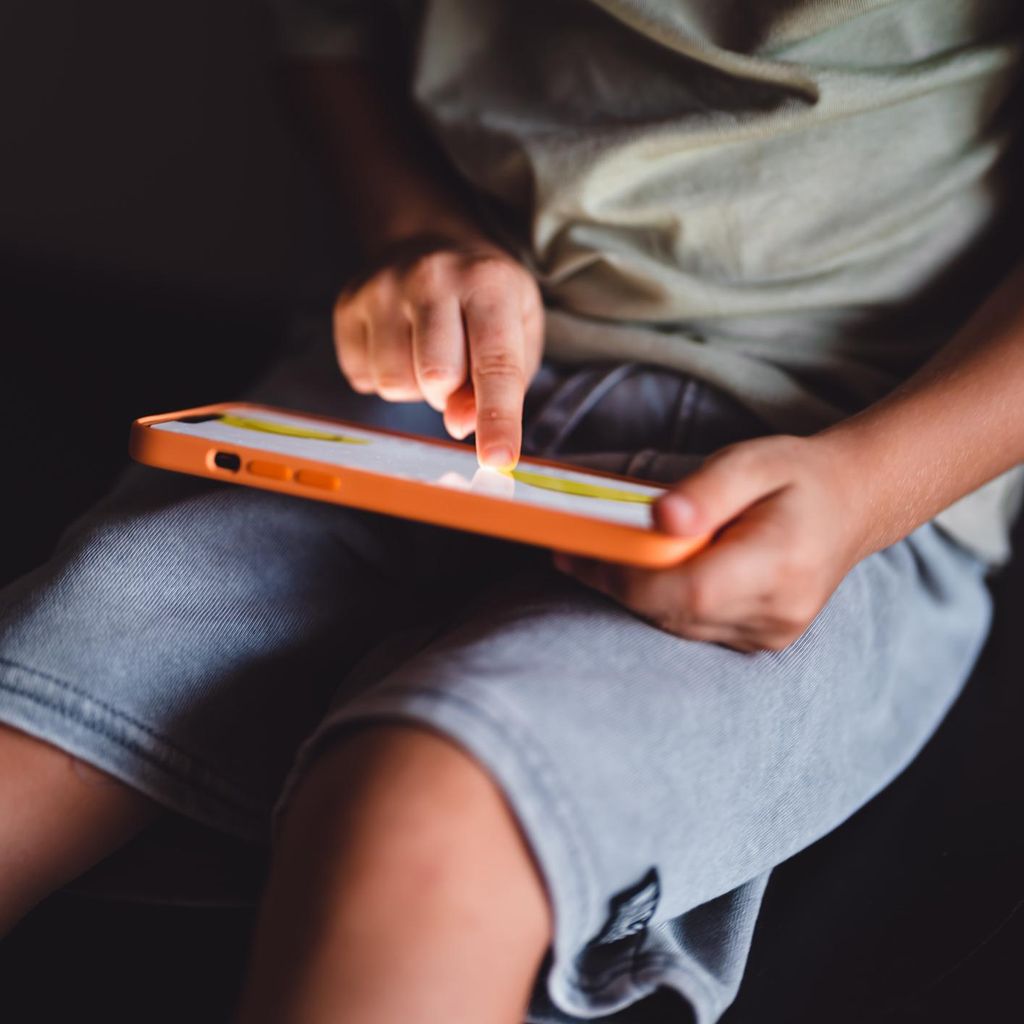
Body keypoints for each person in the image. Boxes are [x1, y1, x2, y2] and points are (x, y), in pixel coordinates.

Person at [1, 2, 1022, 1021]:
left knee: (434, 803)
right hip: (399, 386)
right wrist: (413, 232)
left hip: (845, 452)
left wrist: (868, 488)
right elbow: (328, 33)